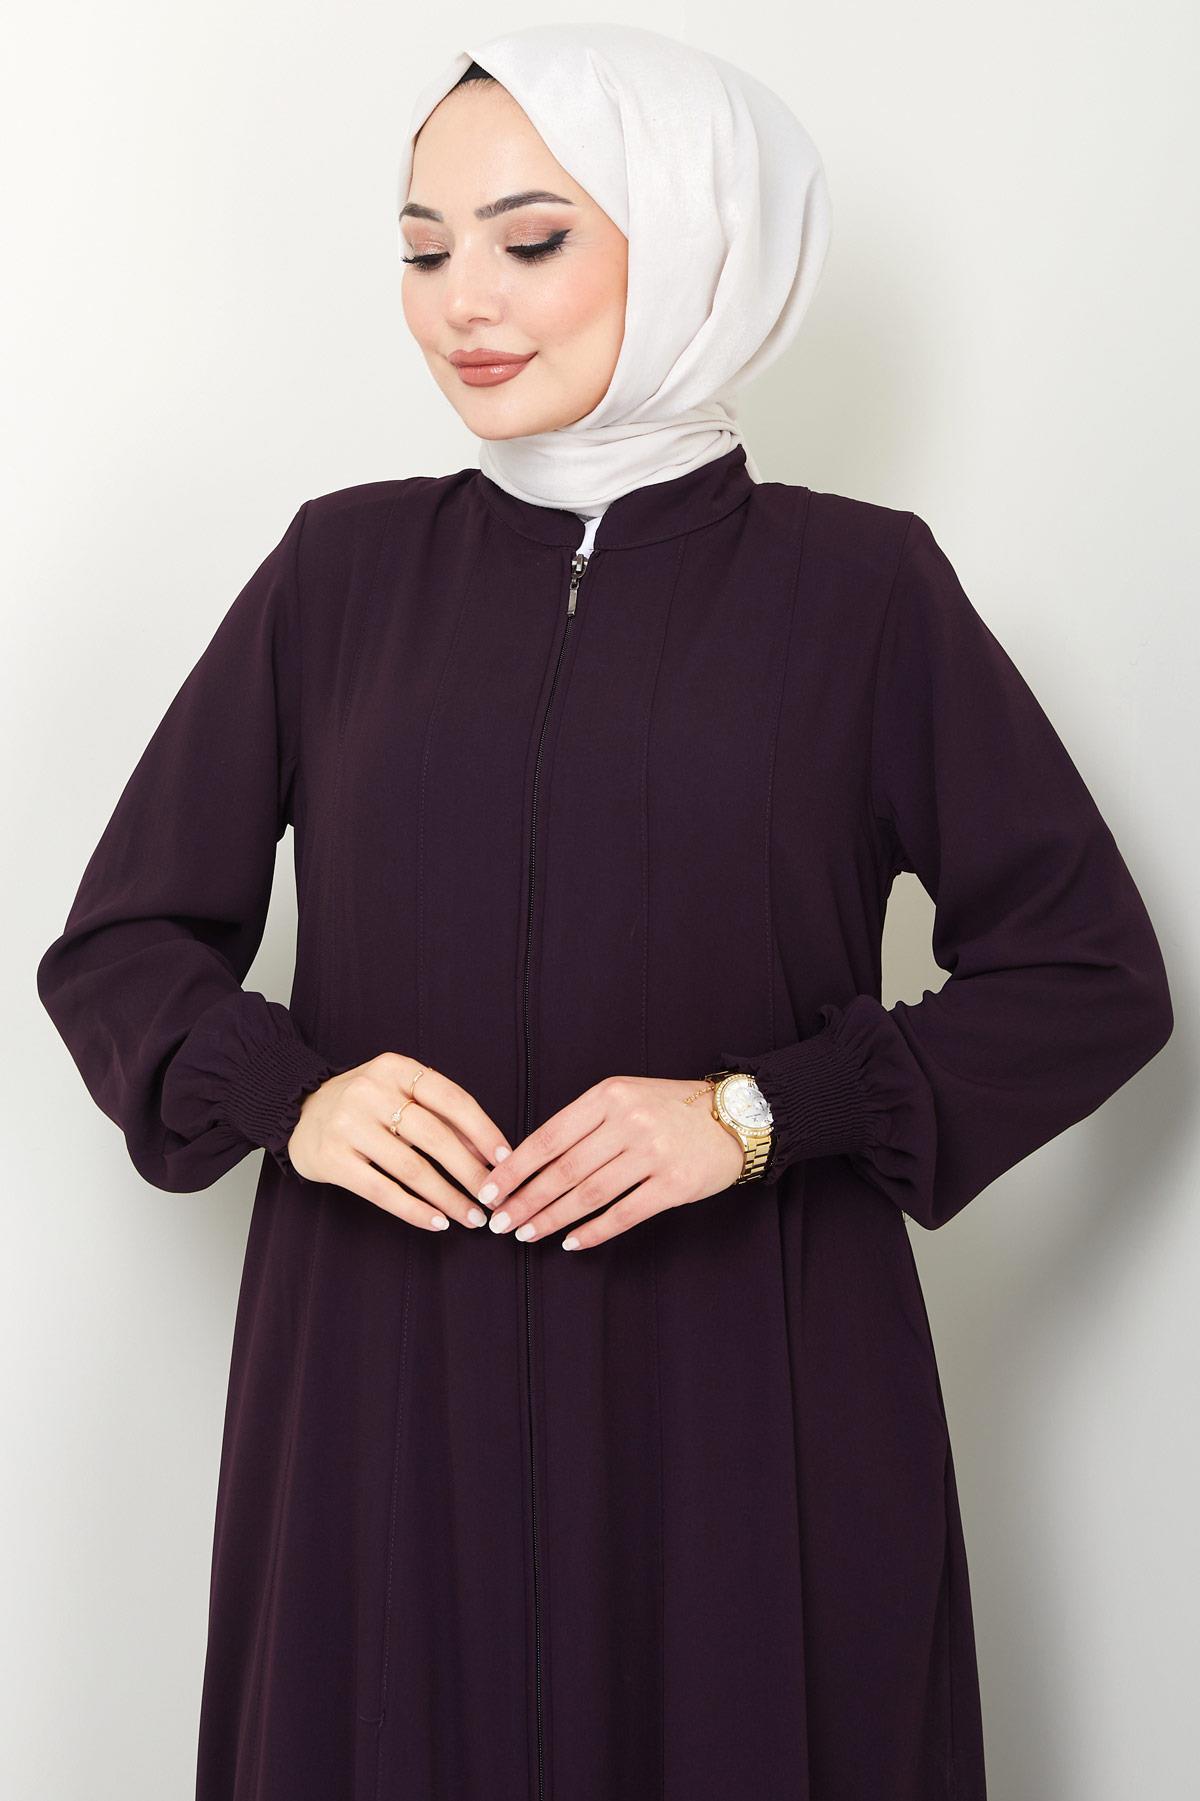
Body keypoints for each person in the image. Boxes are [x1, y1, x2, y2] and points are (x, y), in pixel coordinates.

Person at [35, 23, 1173, 1801]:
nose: (463, 303)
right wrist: (293, 1094)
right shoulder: (340, 573)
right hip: (383, 1385)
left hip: (745, 1394)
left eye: (531, 238)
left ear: (698, 240)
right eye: (424, 249)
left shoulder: (860, 590)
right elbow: (121, 944)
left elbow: (1087, 970)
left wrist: (759, 1111)